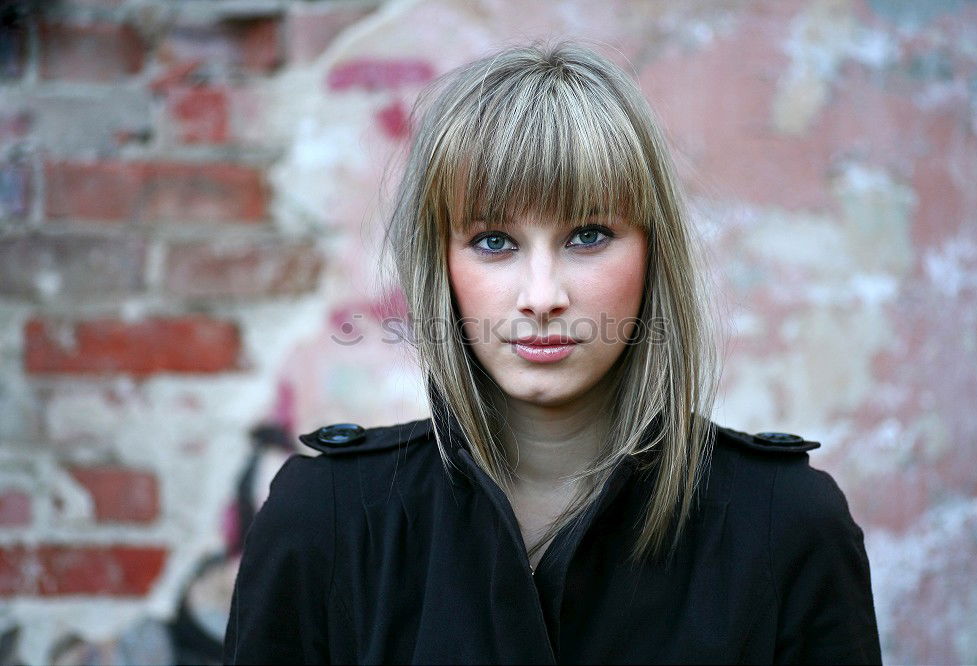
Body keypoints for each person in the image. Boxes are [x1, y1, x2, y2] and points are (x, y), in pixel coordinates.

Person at [223, 43, 881, 664]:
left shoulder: (789, 527)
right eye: (494, 242)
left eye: (588, 235)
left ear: (653, 255)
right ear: (441, 264)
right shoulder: (327, 521)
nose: (542, 296)